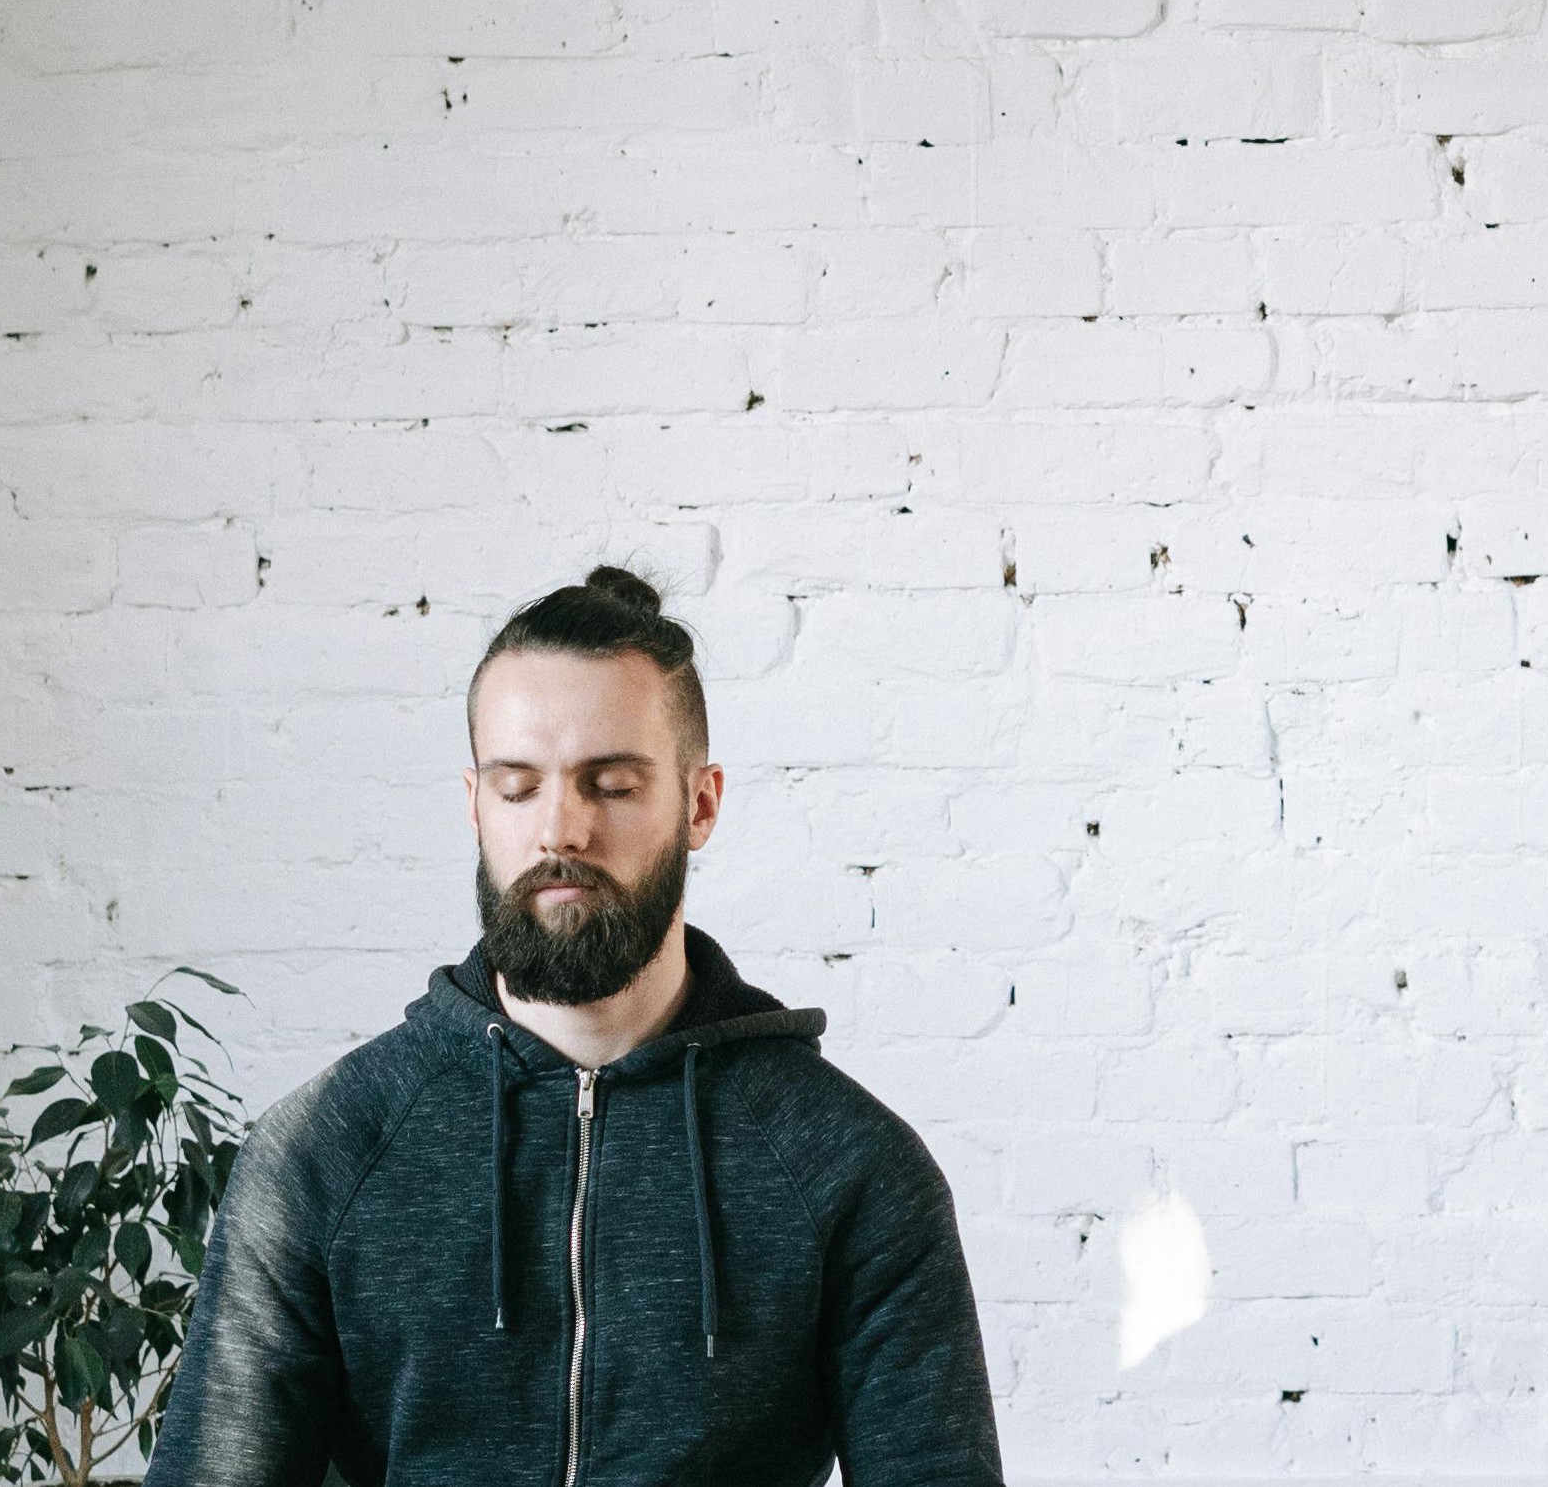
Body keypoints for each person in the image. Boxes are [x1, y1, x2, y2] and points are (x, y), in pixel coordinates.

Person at [147, 567, 1001, 1487]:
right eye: (519, 789)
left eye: (613, 786)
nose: (561, 830)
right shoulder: (325, 1152)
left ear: (701, 805)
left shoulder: (849, 1165)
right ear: (474, 806)